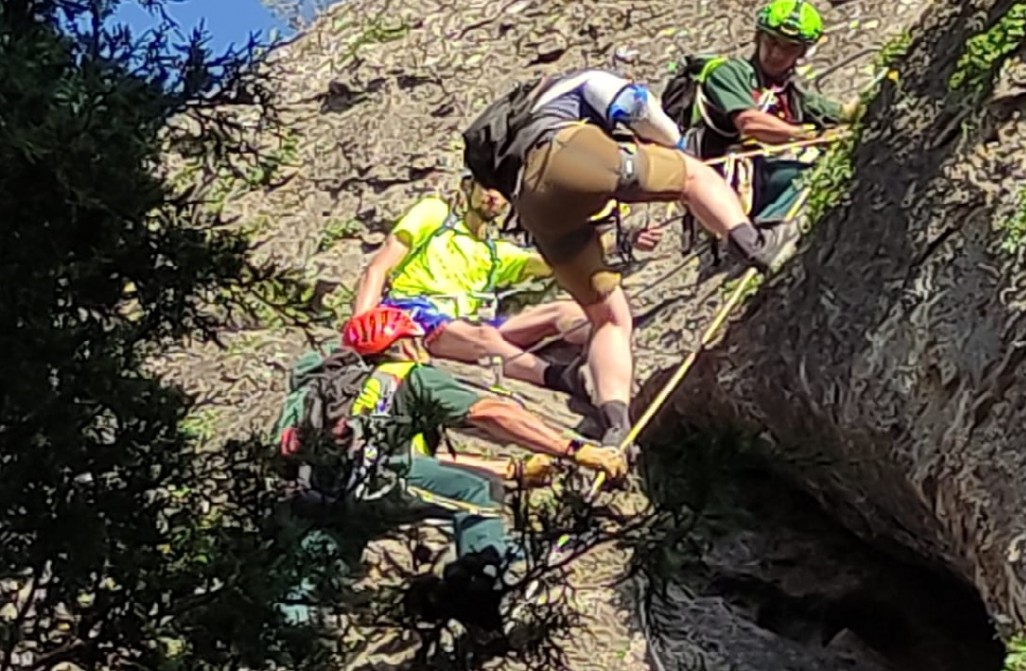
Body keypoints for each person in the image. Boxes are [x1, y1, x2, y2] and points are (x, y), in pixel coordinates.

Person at [461, 68, 799, 449]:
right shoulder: (582, 81)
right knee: (693, 176)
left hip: (535, 208)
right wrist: (676, 148)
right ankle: (755, 244)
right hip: (571, 154)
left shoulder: (518, 136)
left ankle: (615, 423)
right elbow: (642, 113)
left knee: (608, 318)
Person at [276, 305, 626, 636]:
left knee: (310, 579)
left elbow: (417, 463)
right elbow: (494, 414)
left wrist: (515, 470)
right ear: (406, 344)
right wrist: (577, 451)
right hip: (380, 487)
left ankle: (288, 636)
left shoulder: (319, 395)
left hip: (320, 501)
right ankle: (479, 589)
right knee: (478, 490)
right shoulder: (406, 376)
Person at [352, 172, 656, 397]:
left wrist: (622, 240)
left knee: (563, 312)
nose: (493, 196)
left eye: (501, 192)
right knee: (482, 334)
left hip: (464, 323)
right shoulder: (434, 214)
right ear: (467, 187)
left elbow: (553, 261)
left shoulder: (496, 253)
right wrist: (360, 329)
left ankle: (602, 353)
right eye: (487, 186)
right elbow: (378, 268)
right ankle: (560, 378)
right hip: (412, 315)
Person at [684, 0, 859, 223]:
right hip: (722, 181)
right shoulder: (728, 73)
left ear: (801, 54)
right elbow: (749, 123)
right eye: (772, 42)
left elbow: (845, 113)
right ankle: (766, 234)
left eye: (789, 48)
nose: (776, 54)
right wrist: (807, 135)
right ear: (758, 37)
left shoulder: (790, 96)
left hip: (757, 180)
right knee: (811, 173)